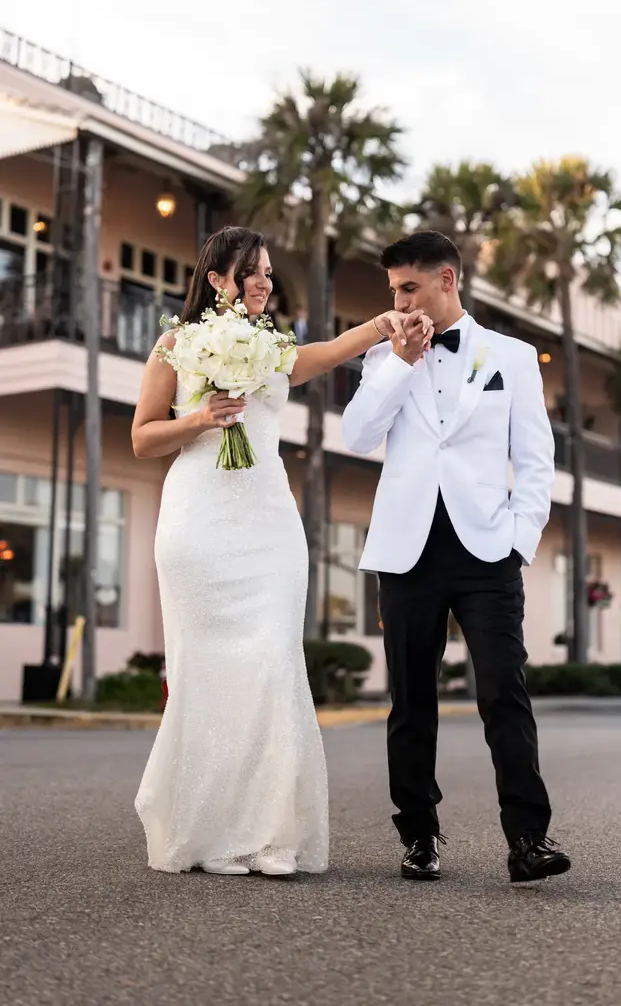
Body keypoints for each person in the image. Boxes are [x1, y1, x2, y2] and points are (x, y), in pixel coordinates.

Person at [132, 226, 432, 877]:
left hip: (268, 526)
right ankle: (209, 835)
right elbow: (142, 438)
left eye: (268, 271)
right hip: (198, 522)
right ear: (216, 278)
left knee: (270, 662)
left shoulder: (270, 344)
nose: (264, 281)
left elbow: (323, 354)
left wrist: (381, 325)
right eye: (251, 271)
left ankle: (268, 835)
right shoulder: (176, 344)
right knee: (205, 675)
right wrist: (199, 418)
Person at [341, 231, 571, 887]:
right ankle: (419, 836)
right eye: (392, 290)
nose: (398, 301)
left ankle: (528, 838)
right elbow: (355, 436)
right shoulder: (388, 358)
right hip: (406, 551)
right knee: (412, 701)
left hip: (487, 550)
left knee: (504, 691)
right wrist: (400, 363)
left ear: (447, 279)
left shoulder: (514, 357)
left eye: (408, 287)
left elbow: (535, 461)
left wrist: (518, 538)